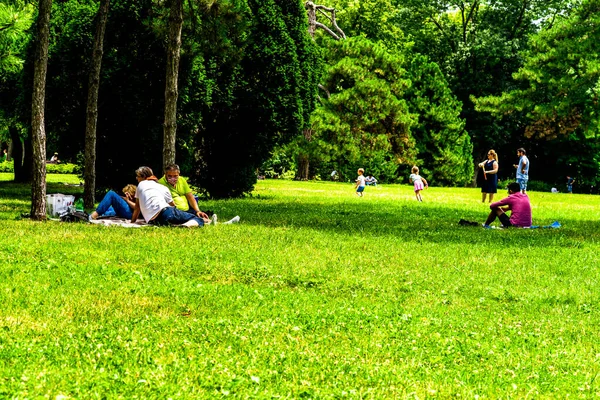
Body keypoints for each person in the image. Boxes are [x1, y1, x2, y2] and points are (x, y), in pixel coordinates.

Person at [131, 166, 209, 227]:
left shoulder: (140, 185)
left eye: (138, 176)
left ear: (143, 177)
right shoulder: (162, 186)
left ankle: (182, 223)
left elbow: (137, 208)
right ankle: (185, 225)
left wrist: (132, 222)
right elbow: (173, 206)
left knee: (177, 218)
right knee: (197, 219)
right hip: (167, 212)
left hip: (154, 221)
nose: (136, 178)